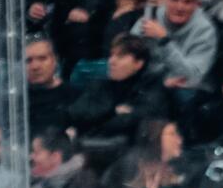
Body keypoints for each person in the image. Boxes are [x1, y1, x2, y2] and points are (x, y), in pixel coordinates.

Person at [70, 33, 170, 170]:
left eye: (120, 56)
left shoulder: (151, 87)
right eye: (111, 55)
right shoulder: (100, 85)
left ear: (138, 63)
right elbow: (76, 114)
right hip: (90, 152)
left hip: (130, 158)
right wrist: (113, 111)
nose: (112, 61)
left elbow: (136, 121)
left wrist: (98, 120)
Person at [98, 118, 197, 188]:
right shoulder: (132, 166)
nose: (179, 140)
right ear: (155, 137)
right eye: (172, 134)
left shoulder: (183, 168)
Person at [132, 0, 217, 93]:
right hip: (150, 85)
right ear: (165, 0)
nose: (180, 7)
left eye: (187, 2)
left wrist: (164, 40)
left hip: (185, 94)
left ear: (196, 4)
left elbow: (192, 77)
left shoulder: (205, 30)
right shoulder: (150, 18)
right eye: (174, 0)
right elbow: (128, 57)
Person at [30, 130, 96, 188]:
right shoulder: (32, 180)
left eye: (37, 153)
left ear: (55, 157)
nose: (31, 157)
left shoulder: (82, 178)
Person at [24, 36, 78, 137]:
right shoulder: (11, 100)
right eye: (28, 61)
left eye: (42, 58)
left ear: (55, 61)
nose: (35, 66)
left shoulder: (75, 97)